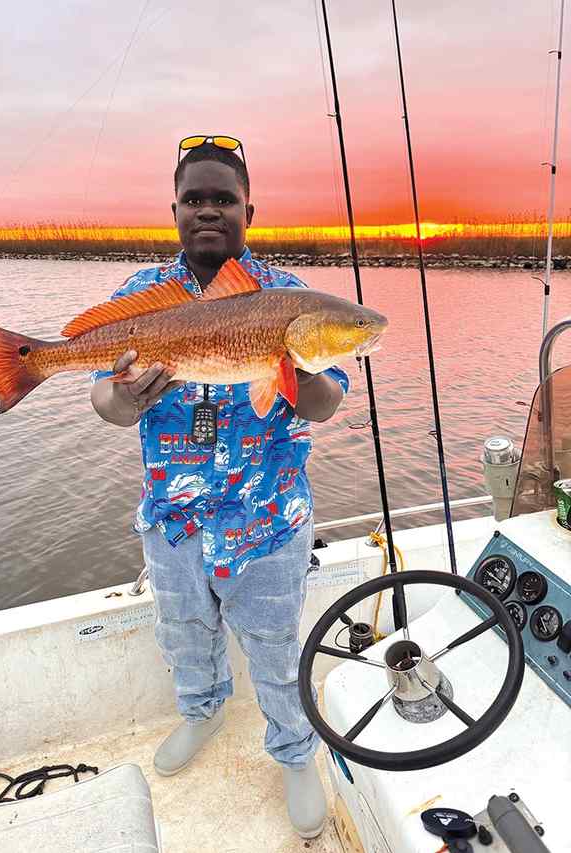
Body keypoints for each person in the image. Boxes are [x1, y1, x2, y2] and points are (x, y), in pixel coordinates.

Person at [90, 135, 349, 839]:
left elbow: (327, 403)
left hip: (268, 517)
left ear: (248, 211)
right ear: (175, 209)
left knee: (275, 643)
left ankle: (295, 751)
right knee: (183, 632)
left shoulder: (291, 298)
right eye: (195, 198)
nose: (209, 209)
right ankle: (202, 709)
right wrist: (129, 397)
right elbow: (104, 405)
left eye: (223, 199)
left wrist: (298, 374)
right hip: (173, 519)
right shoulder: (139, 297)